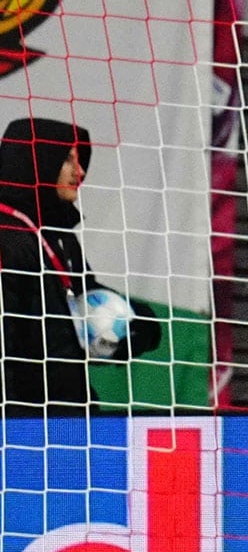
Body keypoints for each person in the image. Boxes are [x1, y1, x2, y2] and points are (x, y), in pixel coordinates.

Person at [0, 116, 161, 415]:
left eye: (80, 160)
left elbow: (85, 296)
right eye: (68, 160)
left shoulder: (57, 235)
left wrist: (136, 324)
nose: (80, 172)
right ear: (39, 161)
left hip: (70, 410)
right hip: (23, 424)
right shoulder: (7, 239)